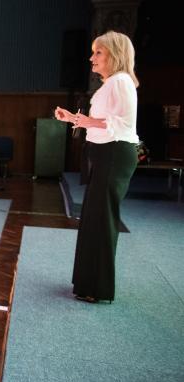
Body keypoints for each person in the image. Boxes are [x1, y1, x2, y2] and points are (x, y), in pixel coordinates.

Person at [54, 31, 140, 304]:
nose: (92, 58)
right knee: (93, 219)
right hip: (105, 154)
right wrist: (74, 119)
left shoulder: (122, 81)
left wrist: (85, 121)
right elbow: (102, 121)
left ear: (115, 54)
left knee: (102, 220)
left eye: (98, 52)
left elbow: (122, 123)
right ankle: (88, 283)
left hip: (114, 154)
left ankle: (98, 287)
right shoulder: (110, 84)